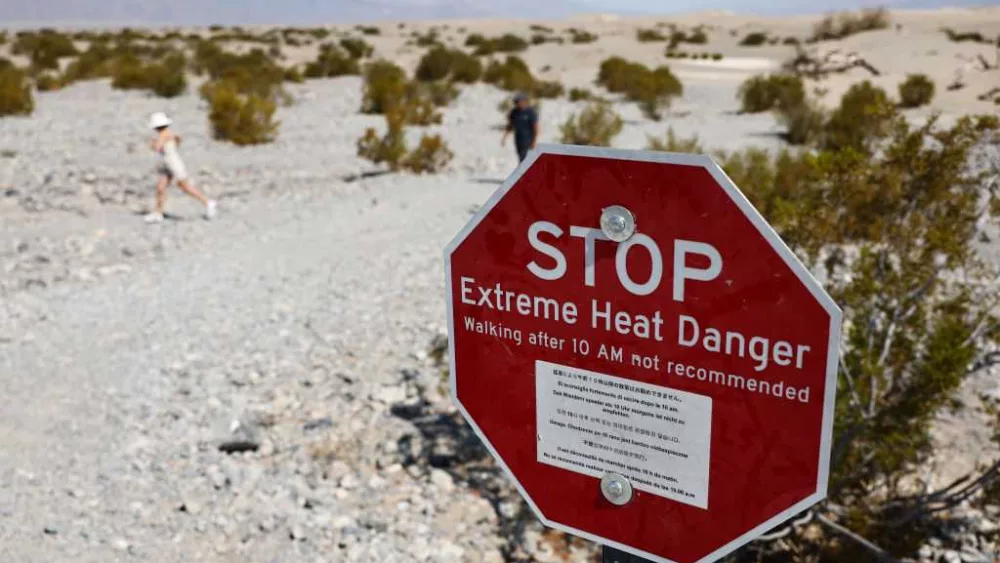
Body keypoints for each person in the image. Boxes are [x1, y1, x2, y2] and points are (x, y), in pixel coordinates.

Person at [145, 112, 217, 223]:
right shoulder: (169, 134)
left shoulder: (164, 135)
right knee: (161, 187)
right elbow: (178, 140)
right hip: (167, 165)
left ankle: (207, 202)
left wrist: (153, 144)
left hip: (173, 165)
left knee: (184, 186)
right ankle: (158, 212)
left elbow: (158, 148)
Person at [501, 93, 538, 163]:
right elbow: (510, 125)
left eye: (518, 101)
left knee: (525, 159)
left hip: (528, 140)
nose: (517, 103)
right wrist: (504, 138)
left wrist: (534, 141)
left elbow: (535, 128)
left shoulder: (530, 112)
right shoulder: (514, 112)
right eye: (516, 102)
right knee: (521, 158)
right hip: (518, 139)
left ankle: (524, 172)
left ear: (524, 101)